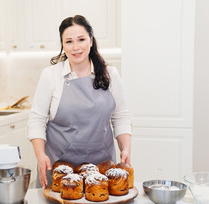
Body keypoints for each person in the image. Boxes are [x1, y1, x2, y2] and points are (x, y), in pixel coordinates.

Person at [28, 15, 132, 188]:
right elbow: (36, 120)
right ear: (62, 44)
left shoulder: (110, 75)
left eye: (81, 39)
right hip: (59, 169)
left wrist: (125, 148)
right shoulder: (50, 75)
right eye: (68, 42)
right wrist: (40, 155)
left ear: (91, 41)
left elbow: (121, 117)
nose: (75, 47)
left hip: (102, 169)